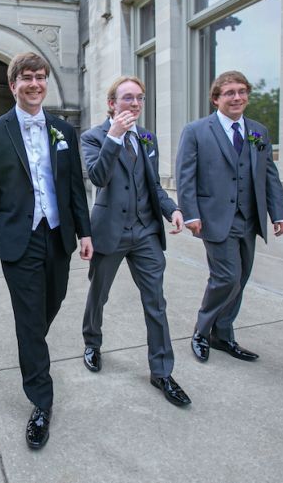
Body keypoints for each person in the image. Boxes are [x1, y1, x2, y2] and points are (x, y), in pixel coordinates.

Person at [0, 52, 93, 450]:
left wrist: (86, 232)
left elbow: (75, 186)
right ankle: (41, 401)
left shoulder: (63, 131)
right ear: (13, 85)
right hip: (17, 240)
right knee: (29, 319)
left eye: (41, 77)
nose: (35, 83)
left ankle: (31, 345)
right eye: (26, 77)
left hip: (57, 236)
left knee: (52, 301)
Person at [81, 76, 191, 407]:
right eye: (128, 98)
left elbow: (153, 184)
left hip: (145, 233)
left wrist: (172, 210)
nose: (135, 104)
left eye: (140, 99)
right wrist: (114, 135)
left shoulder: (147, 138)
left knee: (156, 302)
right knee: (99, 295)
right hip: (110, 232)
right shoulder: (92, 137)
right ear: (111, 104)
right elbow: (98, 177)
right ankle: (92, 342)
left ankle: (162, 372)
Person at [175, 70, 283, 364]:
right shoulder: (196, 130)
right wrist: (190, 214)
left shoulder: (258, 132)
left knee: (242, 277)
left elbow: (269, 176)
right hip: (214, 218)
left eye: (241, 91)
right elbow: (185, 177)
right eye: (229, 93)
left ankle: (223, 335)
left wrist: (279, 213)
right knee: (226, 277)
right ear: (216, 99)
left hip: (249, 219)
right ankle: (202, 331)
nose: (237, 97)